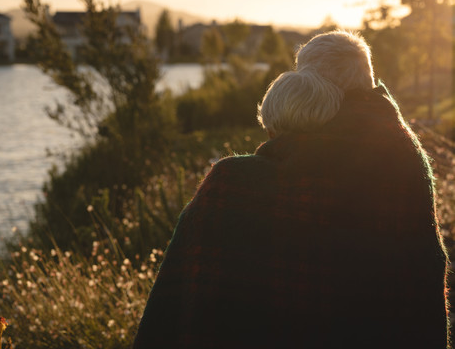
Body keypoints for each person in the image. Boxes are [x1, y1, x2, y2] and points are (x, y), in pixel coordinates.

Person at [133, 30, 450, 348]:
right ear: (368, 78)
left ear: (312, 83)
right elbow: (422, 271)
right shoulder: (408, 156)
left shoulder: (232, 183)